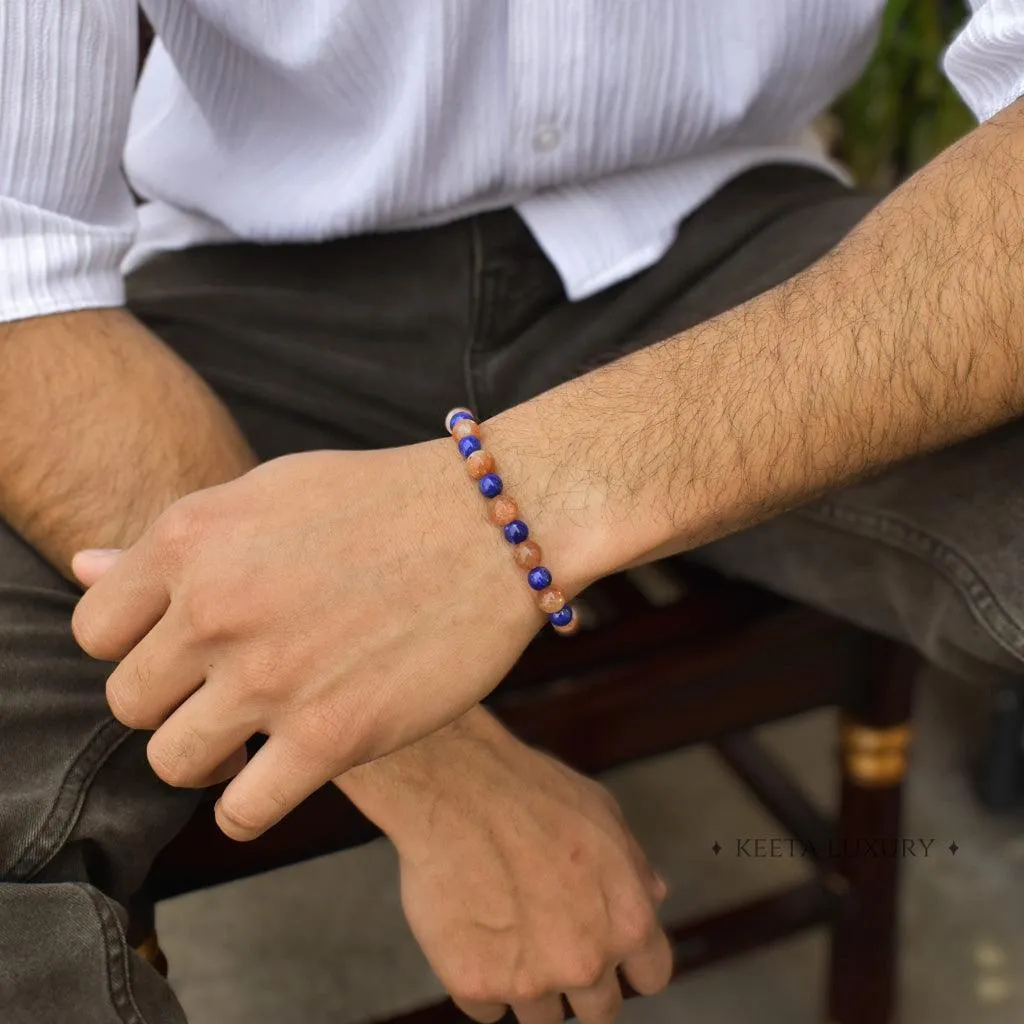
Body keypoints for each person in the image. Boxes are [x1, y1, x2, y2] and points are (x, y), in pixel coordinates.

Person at [5, 1, 1024, 1021]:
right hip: (241, 293)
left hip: (740, 252)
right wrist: (442, 774)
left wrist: (509, 510)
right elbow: (21, 270)